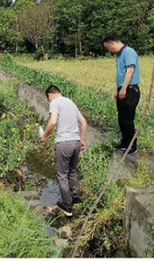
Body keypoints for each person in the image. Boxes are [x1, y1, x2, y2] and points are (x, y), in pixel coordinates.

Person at [40, 84, 87, 217]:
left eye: (48, 99)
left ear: (50, 95)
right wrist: (82, 140)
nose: (49, 101)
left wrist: (45, 136)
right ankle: (75, 197)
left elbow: (53, 122)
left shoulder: (55, 102)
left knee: (62, 175)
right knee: (72, 171)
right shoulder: (71, 102)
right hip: (75, 143)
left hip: (63, 143)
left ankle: (67, 206)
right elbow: (83, 123)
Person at [102, 33, 140, 154]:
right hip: (122, 89)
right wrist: (117, 90)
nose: (109, 50)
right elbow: (121, 74)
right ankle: (125, 142)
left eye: (108, 48)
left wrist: (123, 89)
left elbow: (130, 71)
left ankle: (132, 146)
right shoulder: (119, 55)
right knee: (121, 118)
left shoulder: (129, 52)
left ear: (112, 43)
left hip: (130, 90)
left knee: (127, 119)